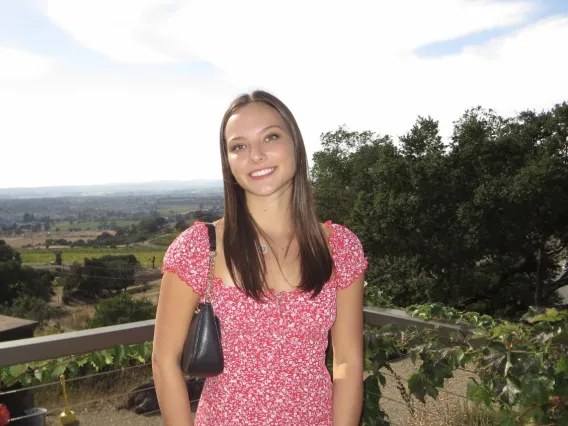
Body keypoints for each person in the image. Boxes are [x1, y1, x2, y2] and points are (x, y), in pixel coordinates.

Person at [152, 90, 368, 425]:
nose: (256, 155)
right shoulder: (200, 248)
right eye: (239, 146)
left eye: (271, 137)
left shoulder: (340, 247)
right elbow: (165, 359)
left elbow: (348, 362)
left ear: (295, 144)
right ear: (229, 162)